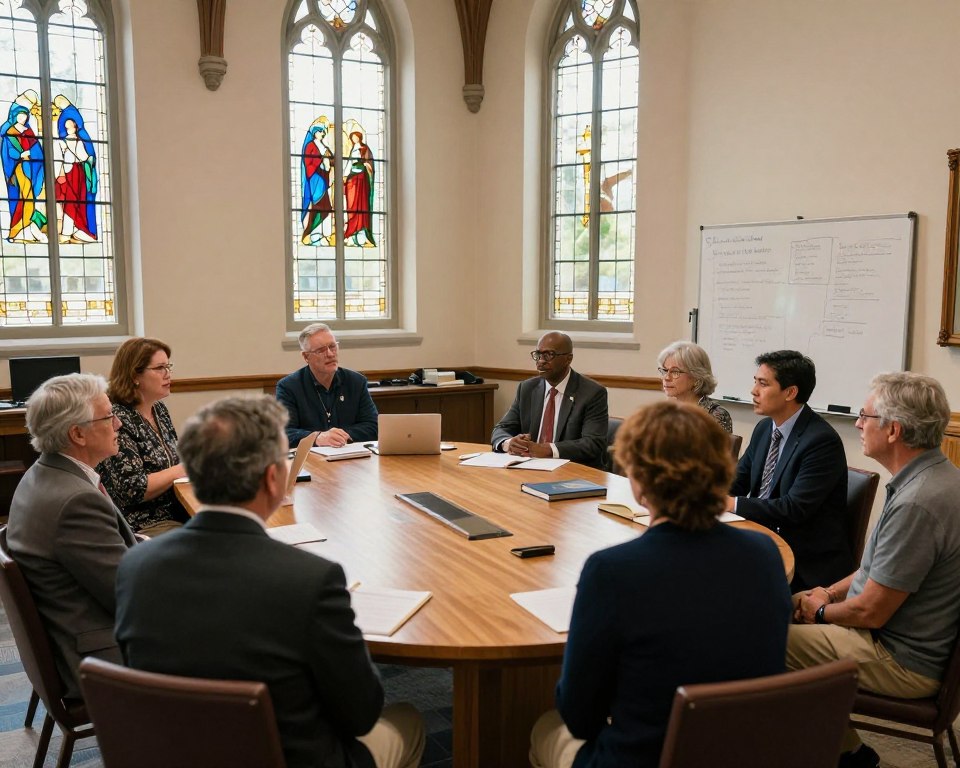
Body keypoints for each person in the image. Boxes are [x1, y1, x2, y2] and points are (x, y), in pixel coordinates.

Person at [115, 396, 424, 768]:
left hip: (172, 751)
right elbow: (361, 712)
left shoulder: (134, 565)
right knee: (408, 719)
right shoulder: (310, 580)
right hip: (288, 757)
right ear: (273, 478)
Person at [529, 401, 792, 768]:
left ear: (637, 482)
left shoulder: (612, 571)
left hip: (645, 758)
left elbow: (580, 716)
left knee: (544, 729)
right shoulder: (765, 554)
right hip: (745, 751)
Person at [787, 372, 960, 768]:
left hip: (899, 658)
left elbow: (871, 612)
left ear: (894, 429)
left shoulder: (918, 502)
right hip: (897, 637)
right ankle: (847, 751)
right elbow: (874, 568)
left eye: (864, 416)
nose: (858, 424)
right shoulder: (937, 478)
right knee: (779, 606)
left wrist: (819, 612)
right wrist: (827, 594)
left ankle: (841, 755)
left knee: (761, 639)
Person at [5, 373, 137, 699]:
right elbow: (130, 598)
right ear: (77, 433)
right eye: (108, 416)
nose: (119, 424)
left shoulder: (42, 474)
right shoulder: (76, 501)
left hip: (72, 630)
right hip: (102, 656)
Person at [728, 349, 850, 591]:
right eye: (755, 382)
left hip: (804, 561)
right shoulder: (764, 429)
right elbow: (736, 481)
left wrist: (730, 504)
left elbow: (794, 508)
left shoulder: (821, 441)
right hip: (763, 539)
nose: (753, 391)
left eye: (763, 384)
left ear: (790, 392)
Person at [98, 337, 188, 536]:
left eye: (168, 366)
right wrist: (182, 469)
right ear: (135, 375)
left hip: (176, 510)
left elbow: (175, 458)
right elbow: (133, 489)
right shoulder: (117, 418)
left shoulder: (159, 409)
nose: (168, 374)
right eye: (160, 368)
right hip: (144, 524)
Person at [491, 331, 608, 469]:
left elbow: (593, 443)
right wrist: (510, 442)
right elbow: (501, 428)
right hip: (529, 467)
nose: (540, 361)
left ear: (568, 359)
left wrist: (548, 449)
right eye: (538, 355)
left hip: (573, 471)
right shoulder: (527, 388)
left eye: (548, 355)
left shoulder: (592, 393)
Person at [276, 322, 379, 448]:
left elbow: (373, 425)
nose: (330, 354)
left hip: (349, 454)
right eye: (321, 350)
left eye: (332, 346)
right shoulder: (289, 387)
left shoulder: (356, 382)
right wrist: (317, 437)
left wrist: (344, 435)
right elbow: (284, 433)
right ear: (306, 356)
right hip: (310, 460)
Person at [1, 91, 47, 243]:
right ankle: (18, 229)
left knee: (28, 197)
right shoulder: (10, 132)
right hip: (19, 168)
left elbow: (37, 150)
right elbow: (9, 151)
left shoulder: (28, 131)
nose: (23, 118)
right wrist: (21, 154)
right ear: (15, 116)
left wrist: (33, 155)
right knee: (24, 196)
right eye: (20, 115)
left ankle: (24, 227)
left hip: (30, 167)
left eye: (25, 116)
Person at [656, 340, 732, 432]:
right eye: (664, 370)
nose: (667, 377)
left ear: (696, 377)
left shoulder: (715, 415)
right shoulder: (663, 412)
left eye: (675, 372)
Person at [53, 96, 98, 243]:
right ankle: (67, 231)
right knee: (71, 202)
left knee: (77, 202)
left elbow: (85, 157)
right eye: (66, 126)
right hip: (70, 173)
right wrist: (60, 174)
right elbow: (62, 158)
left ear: (75, 126)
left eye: (70, 125)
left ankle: (71, 230)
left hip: (78, 174)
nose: (68, 128)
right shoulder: (64, 142)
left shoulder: (78, 141)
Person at [301, 119, 335, 245]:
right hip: (315, 178)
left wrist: (329, 160)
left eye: (323, 131)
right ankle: (311, 233)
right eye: (320, 131)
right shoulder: (310, 146)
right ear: (315, 133)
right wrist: (321, 160)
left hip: (324, 177)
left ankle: (323, 233)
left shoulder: (324, 146)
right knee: (317, 204)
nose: (322, 133)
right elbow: (308, 163)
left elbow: (332, 161)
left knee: (326, 207)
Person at [343, 130, 376, 247]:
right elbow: (349, 164)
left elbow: (369, 164)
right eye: (353, 137)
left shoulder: (365, 149)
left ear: (360, 138)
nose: (354, 139)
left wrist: (364, 165)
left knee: (361, 205)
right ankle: (351, 232)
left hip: (361, 180)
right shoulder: (353, 150)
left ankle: (361, 231)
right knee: (351, 205)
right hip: (353, 179)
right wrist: (345, 175)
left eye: (356, 137)